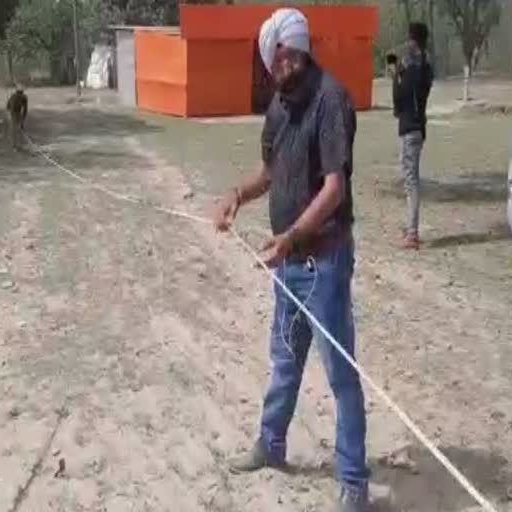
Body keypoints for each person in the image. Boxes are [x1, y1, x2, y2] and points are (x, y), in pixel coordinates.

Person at [215, 8, 369, 512]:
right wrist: (238, 193)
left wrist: (293, 236)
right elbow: (270, 170)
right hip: (288, 264)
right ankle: (271, 443)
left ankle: (353, 483)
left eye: (287, 50)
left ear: (302, 48)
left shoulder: (332, 99)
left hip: (322, 261)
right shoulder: (279, 107)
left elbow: (334, 187)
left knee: (340, 373)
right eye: (272, 54)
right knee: (284, 359)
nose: (280, 61)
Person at [390, 22, 434, 250]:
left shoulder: (410, 68)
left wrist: (397, 74)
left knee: (411, 181)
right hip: (419, 127)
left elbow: (400, 99)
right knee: (410, 179)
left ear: (412, 39)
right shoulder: (426, 66)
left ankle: (413, 233)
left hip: (410, 128)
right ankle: (411, 228)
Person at [6, 86, 28, 151]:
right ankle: (14, 146)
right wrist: (10, 116)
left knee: (18, 129)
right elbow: (9, 107)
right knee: (14, 130)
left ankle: (18, 145)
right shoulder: (15, 97)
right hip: (13, 113)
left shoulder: (23, 97)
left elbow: (25, 109)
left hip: (17, 113)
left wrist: (22, 120)